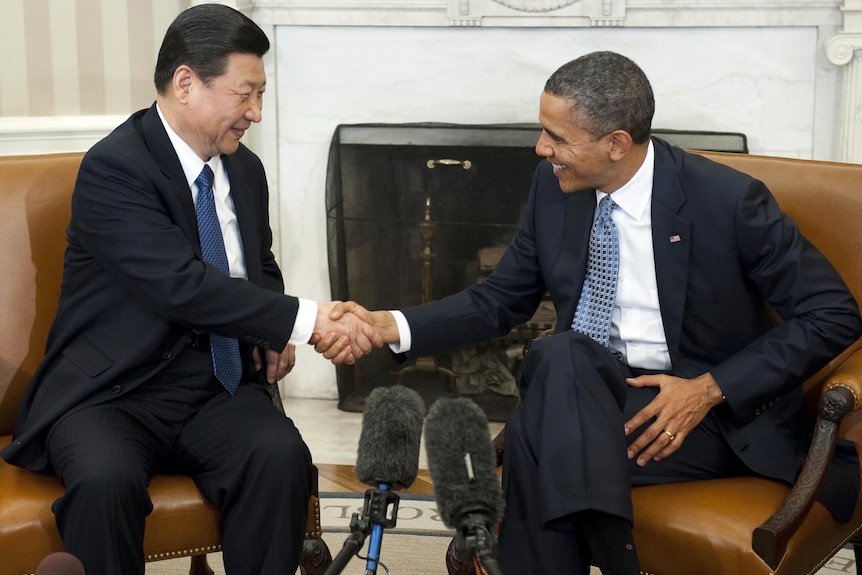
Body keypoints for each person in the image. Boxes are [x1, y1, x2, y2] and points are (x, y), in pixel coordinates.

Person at [321, 51, 862, 574]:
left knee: (533, 457)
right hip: (589, 391)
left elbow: (833, 314)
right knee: (561, 354)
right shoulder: (556, 190)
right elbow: (500, 299)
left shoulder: (728, 201)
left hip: (707, 415)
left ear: (617, 144)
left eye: (557, 137)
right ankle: (614, 550)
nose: (540, 148)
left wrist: (707, 389)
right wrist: (388, 324)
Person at [0, 5, 381, 575]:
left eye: (261, 94)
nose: (255, 111)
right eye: (244, 94)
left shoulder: (245, 170)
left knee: (279, 458)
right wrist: (303, 320)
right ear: (186, 83)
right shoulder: (115, 168)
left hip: (213, 385)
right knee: (105, 483)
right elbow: (181, 285)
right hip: (111, 392)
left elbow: (259, 263)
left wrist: (271, 333)